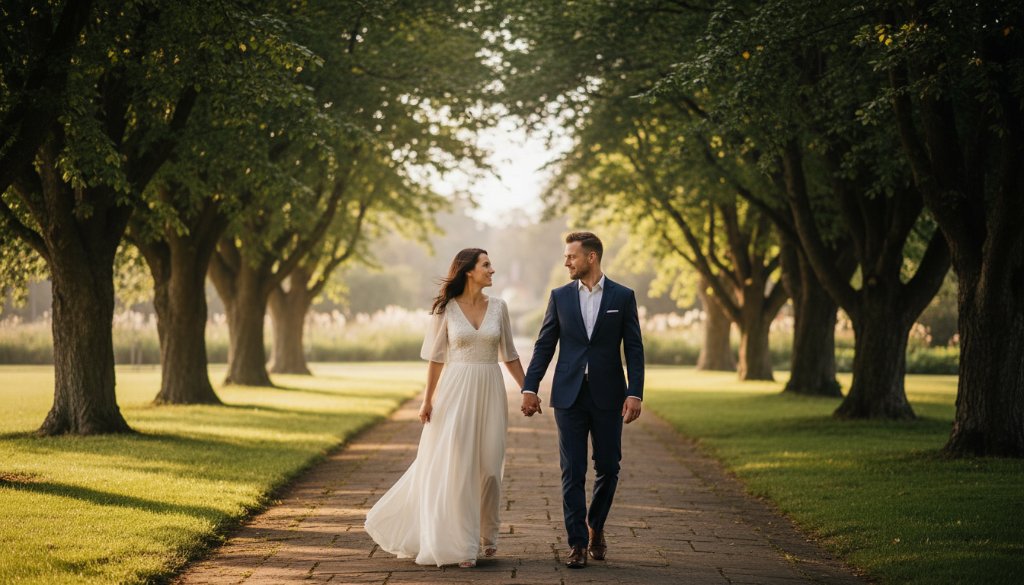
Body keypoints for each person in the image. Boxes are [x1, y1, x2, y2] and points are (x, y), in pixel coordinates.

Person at [365, 248, 525, 568]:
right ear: (469, 271)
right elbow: (437, 358)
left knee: (490, 468)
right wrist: (427, 400)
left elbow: (509, 354)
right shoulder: (446, 309)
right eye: (486, 265)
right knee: (460, 467)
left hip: (491, 390)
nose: (492, 270)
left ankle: (488, 535)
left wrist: (528, 390)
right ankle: (464, 545)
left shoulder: (499, 307)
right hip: (455, 392)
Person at [521, 231, 644, 569]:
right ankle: (576, 543)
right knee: (572, 471)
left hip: (609, 396)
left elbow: (634, 348)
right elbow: (545, 345)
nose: (566, 262)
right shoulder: (559, 296)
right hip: (569, 396)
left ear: (591, 257)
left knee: (609, 467)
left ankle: (595, 526)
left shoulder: (623, 296)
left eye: (571, 256)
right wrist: (530, 387)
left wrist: (635, 392)